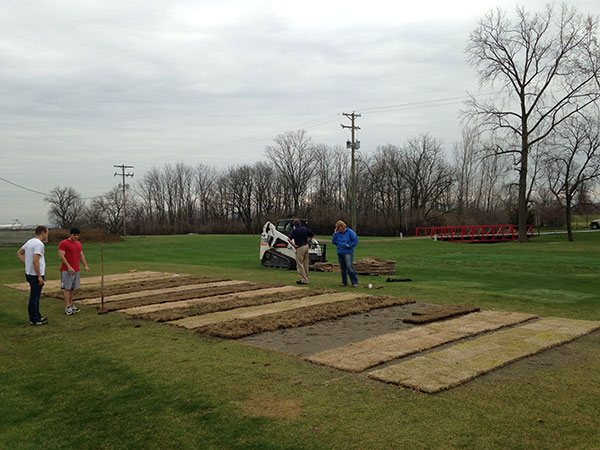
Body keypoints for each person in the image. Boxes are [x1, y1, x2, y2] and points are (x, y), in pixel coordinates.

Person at [17, 225, 49, 325]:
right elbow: (36, 261)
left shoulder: (30, 241)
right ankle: (34, 319)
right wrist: (39, 276)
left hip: (29, 273)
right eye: (47, 233)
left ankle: (37, 315)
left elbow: (19, 253)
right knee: (34, 297)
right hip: (35, 275)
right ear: (42, 233)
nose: (47, 235)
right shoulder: (39, 244)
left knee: (36, 296)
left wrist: (27, 264)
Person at [58, 227, 89, 315]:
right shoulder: (63, 243)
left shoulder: (78, 244)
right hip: (66, 270)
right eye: (74, 235)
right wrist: (68, 266)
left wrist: (85, 265)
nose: (76, 237)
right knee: (67, 288)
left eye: (77, 235)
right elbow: (61, 256)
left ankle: (71, 305)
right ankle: (67, 307)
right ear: (70, 234)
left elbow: (81, 255)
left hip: (76, 269)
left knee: (72, 288)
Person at [288, 218, 315, 285]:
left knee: (299, 264)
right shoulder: (305, 228)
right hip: (306, 246)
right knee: (306, 264)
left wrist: (294, 245)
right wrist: (309, 240)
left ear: (294, 225)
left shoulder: (295, 231)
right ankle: (306, 278)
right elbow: (312, 235)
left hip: (300, 247)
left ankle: (303, 279)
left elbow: (289, 239)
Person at [332, 220, 359, 287]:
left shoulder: (349, 232)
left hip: (347, 252)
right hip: (340, 252)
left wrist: (350, 245)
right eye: (337, 228)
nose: (338, 229)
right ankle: (344, 282)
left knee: (349, 267)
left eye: (339, 228)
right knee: (342, 268)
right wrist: (334, 234)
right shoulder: (337, 233)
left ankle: (354, 282)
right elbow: (334, 242)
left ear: (342, 226)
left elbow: (355, 240)